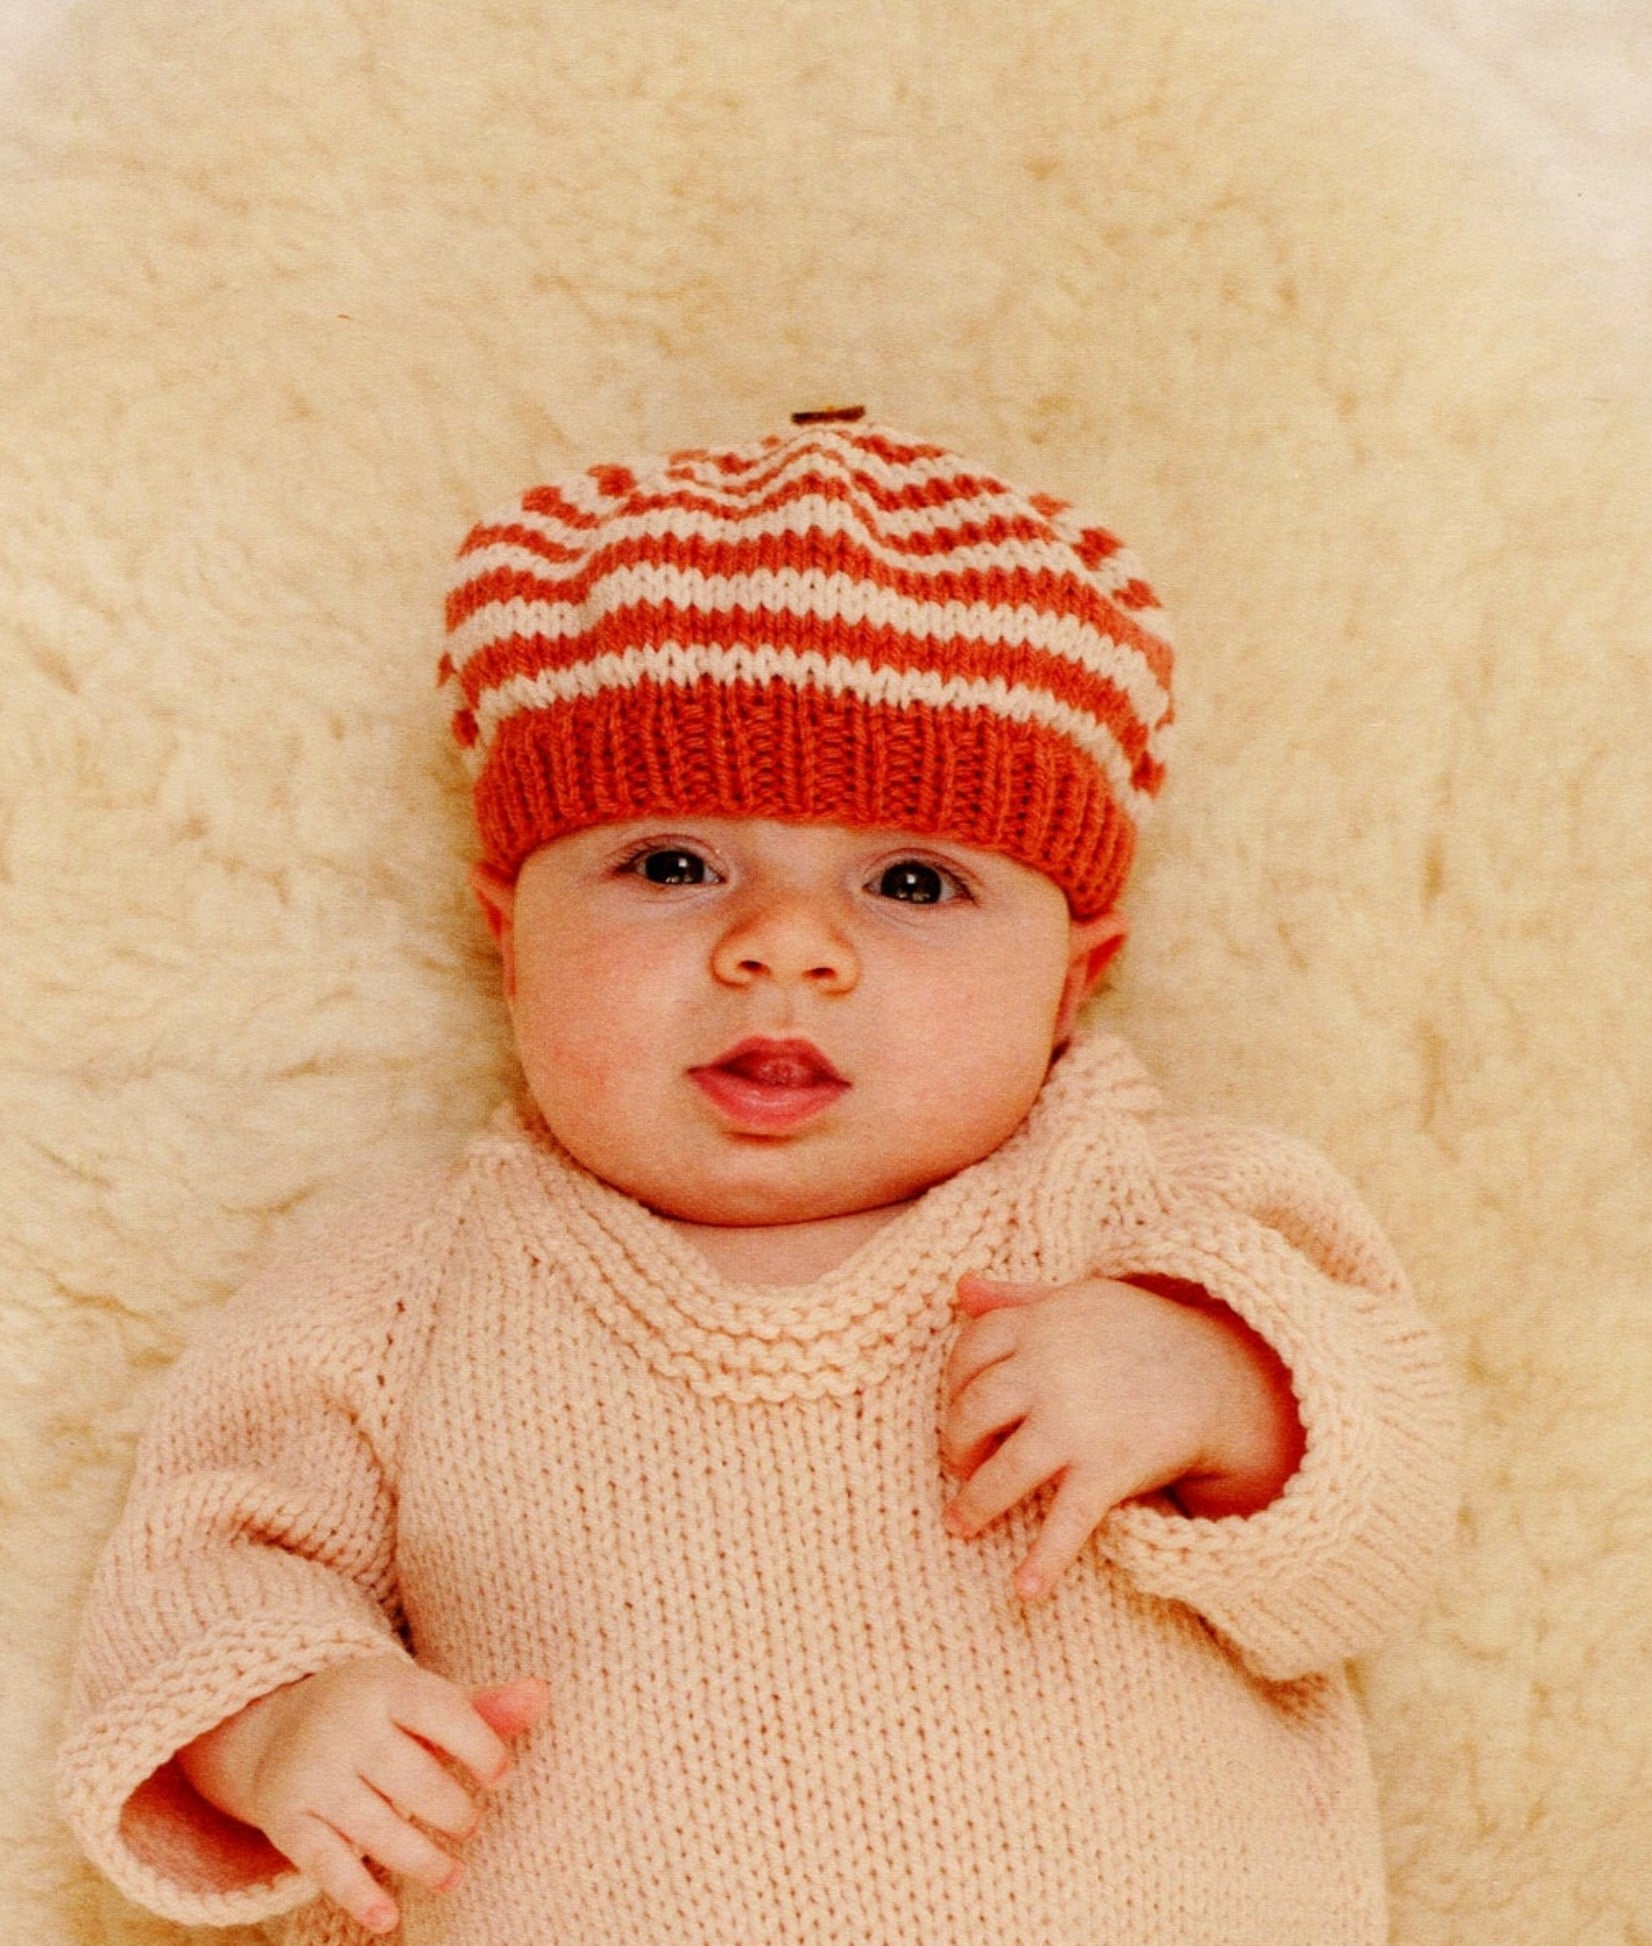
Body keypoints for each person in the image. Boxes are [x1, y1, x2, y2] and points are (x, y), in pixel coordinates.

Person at [58, 415, 1458, 1944]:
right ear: (508, 933)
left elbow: (1383, 1527)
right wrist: (285, 1725)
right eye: (672, 864)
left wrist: (1220, 1386)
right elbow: (206, 1561)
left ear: (1073, 980)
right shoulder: (402, 1288)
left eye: (912, 881)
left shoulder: (1145, 1217)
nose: (786, 943)